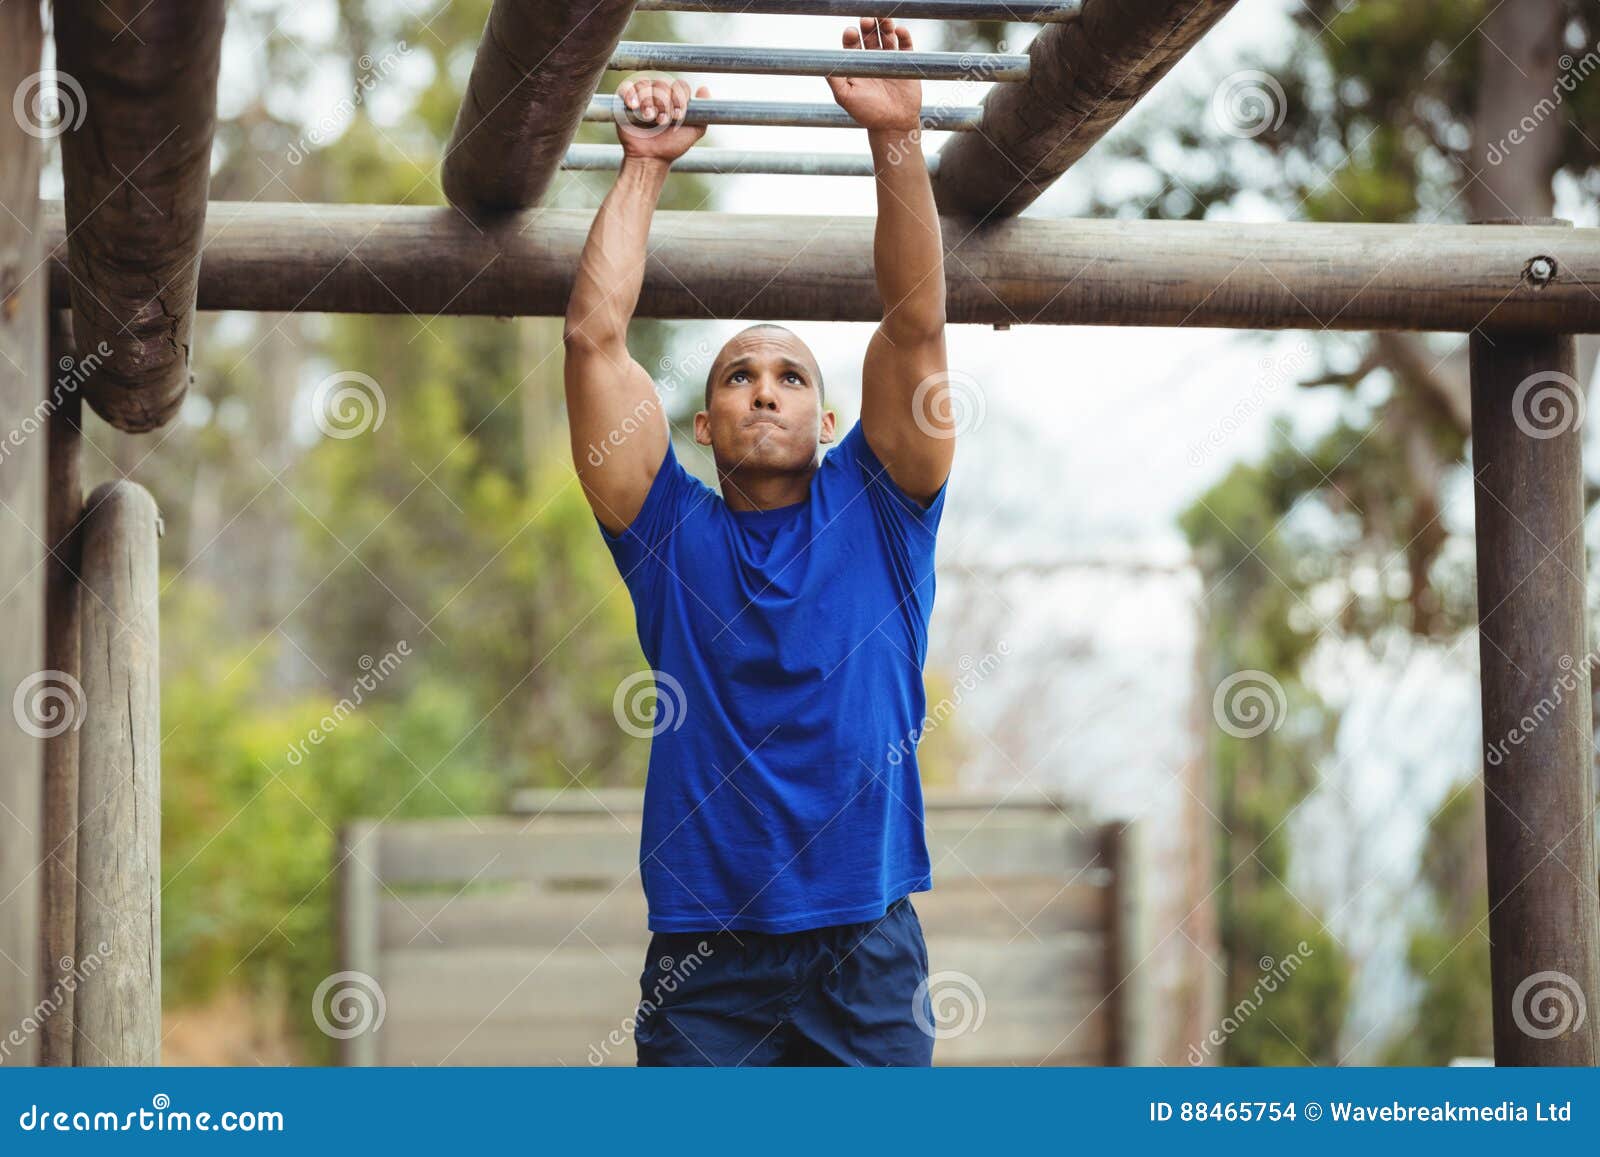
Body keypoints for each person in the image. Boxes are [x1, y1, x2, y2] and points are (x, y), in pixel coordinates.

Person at [562, 16, 954, 1066]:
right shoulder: (667, 532)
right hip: (706, 961)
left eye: (789, 376)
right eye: (737, 375)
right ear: (703, 424)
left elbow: (913, 324)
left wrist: (895, 138)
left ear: (831, 421)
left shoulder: (884, 506)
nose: (764, 389)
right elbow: (594, 338)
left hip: (865, 943)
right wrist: (643, 165)